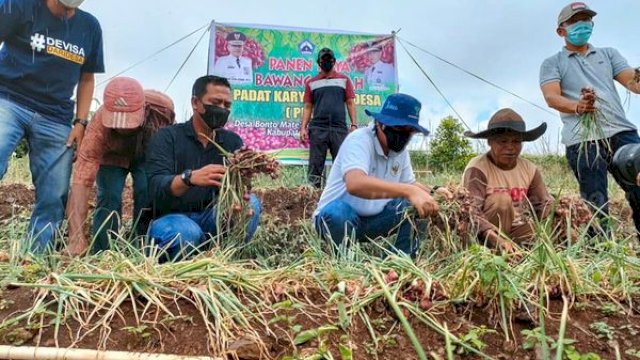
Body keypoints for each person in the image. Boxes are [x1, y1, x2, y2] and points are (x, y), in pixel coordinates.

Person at [0, 0, 104, 252]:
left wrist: (80, 122)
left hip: (55, 116)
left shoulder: (89, 27)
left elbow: (87, 78)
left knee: (55, 192)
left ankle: (32, 258)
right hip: (9, 98)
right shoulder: (20, 7)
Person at [540, 2, 640, 237]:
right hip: (583, 140)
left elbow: (634, 84)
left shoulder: (608, 54)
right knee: (595, 198)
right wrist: (578, 106)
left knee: (638, 186)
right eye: (575, 21)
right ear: (561, 31)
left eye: (586, 19)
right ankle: (603, 250)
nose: (582, 24)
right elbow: (551, 96)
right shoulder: (552, 63)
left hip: (621, 133)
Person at [145, 75, 261, 262]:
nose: (222, 109)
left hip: (211, 217)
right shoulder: (167, 137)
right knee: (187, 234)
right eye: (216, 102)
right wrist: (189, 178)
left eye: (227, 105)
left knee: (253, 204)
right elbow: (156, 186)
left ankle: (229, 261)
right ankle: (184, 269)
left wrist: (241, 196)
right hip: (172, 219)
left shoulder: (232, 142)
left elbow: (240, 187)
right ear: (195, 103)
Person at [313, 93, 439, 258]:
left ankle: (400, 265)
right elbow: (355, 183)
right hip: (338, 221)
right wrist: (409, 191)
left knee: (415, 206)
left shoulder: (399, 151)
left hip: (373, 221)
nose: (404, 136)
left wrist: (434, 192)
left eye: (409, 132)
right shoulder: (359, 140)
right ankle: (344, 264)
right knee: (338, 213)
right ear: (381, 124)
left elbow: (410, 183)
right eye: (399, 129)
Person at [66, 77, 175, 256]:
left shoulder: (162, 109)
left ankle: (142, 246)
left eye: (129, 121)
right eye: (117, 122)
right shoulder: (97, 130)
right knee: (109, 196)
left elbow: (171, 145)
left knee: (146, 191)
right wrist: (76, 237)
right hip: (112, 156)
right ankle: (103, 251)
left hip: (146, 152)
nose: (123, 128)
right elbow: (81, 182)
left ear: (143, 109)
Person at [462, 109, 553, 254]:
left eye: (516, 141)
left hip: (517, 229)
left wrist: (560, 215)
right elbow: (471, 211)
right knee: (501, 200)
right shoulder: (477, 168)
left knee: (559, 233)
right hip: (486, 233)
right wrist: (494, 238)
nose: (510, 147)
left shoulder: (529, 168)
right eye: (503, 141)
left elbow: (543, 204)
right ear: (490, 142)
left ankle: (516, 249)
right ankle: (494, 252)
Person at [300, 48, 358, 188]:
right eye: (323, 60)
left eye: (328, 60)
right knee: (315, 164)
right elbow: (308, 107)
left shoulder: (344, 80)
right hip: (318, 128)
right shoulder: (311, 83)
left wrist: (354, 125)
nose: (326, 62)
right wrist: (303, 128)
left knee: (342, 163)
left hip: (339, 128)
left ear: (334, 62)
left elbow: (350, 103)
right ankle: (313, 195)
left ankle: (341, 192)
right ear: (318, 63)